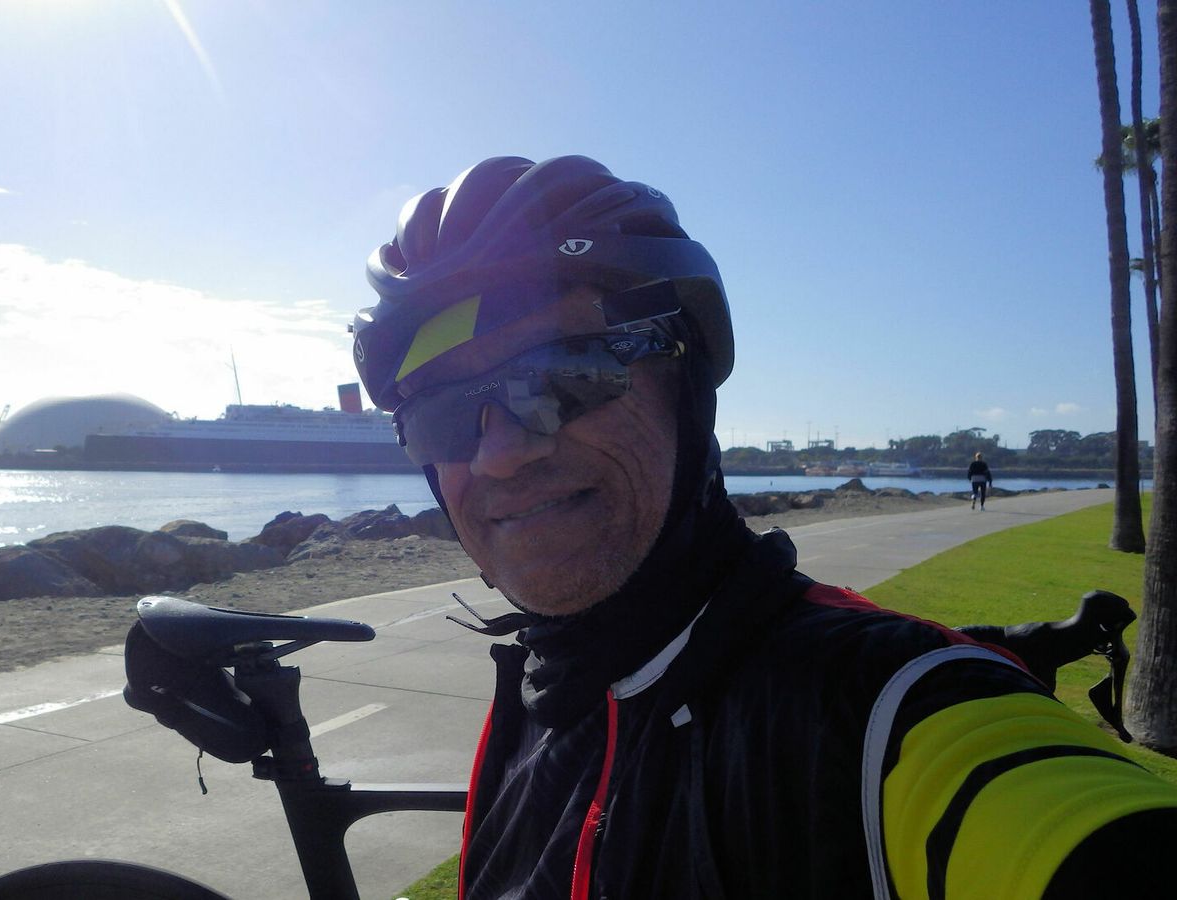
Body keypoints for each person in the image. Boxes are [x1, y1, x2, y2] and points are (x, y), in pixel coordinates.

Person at [349, 155, 1177, 898]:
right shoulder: (534, 695)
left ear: (688, 387)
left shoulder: (878, 711)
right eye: (443, 415)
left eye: (565, 374)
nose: (498, 456)